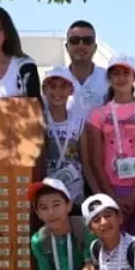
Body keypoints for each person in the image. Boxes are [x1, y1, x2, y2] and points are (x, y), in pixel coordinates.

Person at [84, 53, 135, 243]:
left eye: (126, 72)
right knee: (112, 243)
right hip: (111, 188)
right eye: (115, 73)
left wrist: (134, 196)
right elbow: (96, 162)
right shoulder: (98, 116)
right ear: (109, 79)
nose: (121, 78)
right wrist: (110, 196)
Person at [40, 66, 88, 208]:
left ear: (71, 90)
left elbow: (85, 162)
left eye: (63, 87)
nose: (57, 92)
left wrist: (95, 189)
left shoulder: (78, 122)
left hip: (75, 192)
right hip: (47, 190)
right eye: (52, 87)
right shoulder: (40, 120)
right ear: (44, 89)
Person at [64, 20, 111, 112]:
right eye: (74, 41)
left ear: (95, 47)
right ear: (66, 47)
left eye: (87, 41)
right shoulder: (54, 80)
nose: (81, 45)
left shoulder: (109, 80)